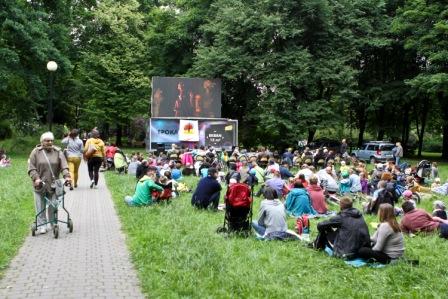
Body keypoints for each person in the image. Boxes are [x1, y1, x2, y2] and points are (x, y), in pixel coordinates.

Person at [28, 132, 71, 234]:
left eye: (51, 140)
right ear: (42, 142)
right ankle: (42, 225)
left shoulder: (58, 151)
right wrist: (36, 178)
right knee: (40, 206)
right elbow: (31, 168)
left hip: (54, 184)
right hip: (40, 184)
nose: (50, 142)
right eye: (47, 140)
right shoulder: (35, 152)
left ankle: (53, 223)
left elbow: (64, 166)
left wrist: (67, 176)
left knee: (53, 205)